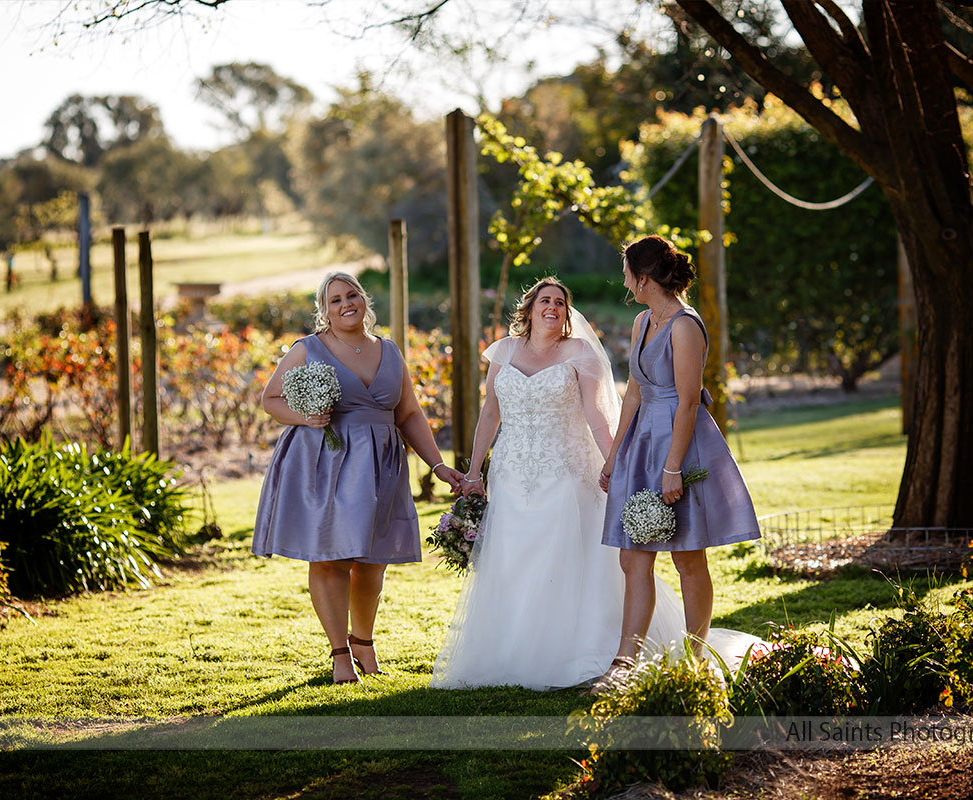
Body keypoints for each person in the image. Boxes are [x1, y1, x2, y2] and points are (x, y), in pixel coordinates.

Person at [430, 277, 687, 690]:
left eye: (561, 303)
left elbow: (597, 416)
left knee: (564, 559)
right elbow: (489, 415)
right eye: (545, 301)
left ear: (567, 314)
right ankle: (509, 653)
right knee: (513, 561)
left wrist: (615, 465)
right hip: (512, 473)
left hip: (566, 473)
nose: (553, 307)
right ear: (529, 309)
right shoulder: (504, 351)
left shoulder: (579, 352)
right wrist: (475, 472)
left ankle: (577, 650)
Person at [253, 272, 464, 684]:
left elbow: (409, 415)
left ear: (364, 301)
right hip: (327, 464)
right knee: (331, 558)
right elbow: (270, 399)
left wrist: (438, 465)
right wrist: (306, 418)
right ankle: (339, 655)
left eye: (352, 295)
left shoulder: (389, 351)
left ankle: (364, 643)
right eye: (335, 300)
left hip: (382, 465)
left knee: (372, 561)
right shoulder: (307, 349)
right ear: (324, 311)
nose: (346, 304)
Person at [599, 235, 762, 684]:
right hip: (641, 442)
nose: (625, 281)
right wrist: (614, 456)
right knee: (632, 557)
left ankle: (695, 660)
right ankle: (625, 663)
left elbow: (689, 401)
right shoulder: (641, 321)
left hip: (679, 443)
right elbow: (633, 390)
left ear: (643, 277)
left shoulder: (685, 326)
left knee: (688, 557)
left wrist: (673, 467)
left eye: (628, 273)